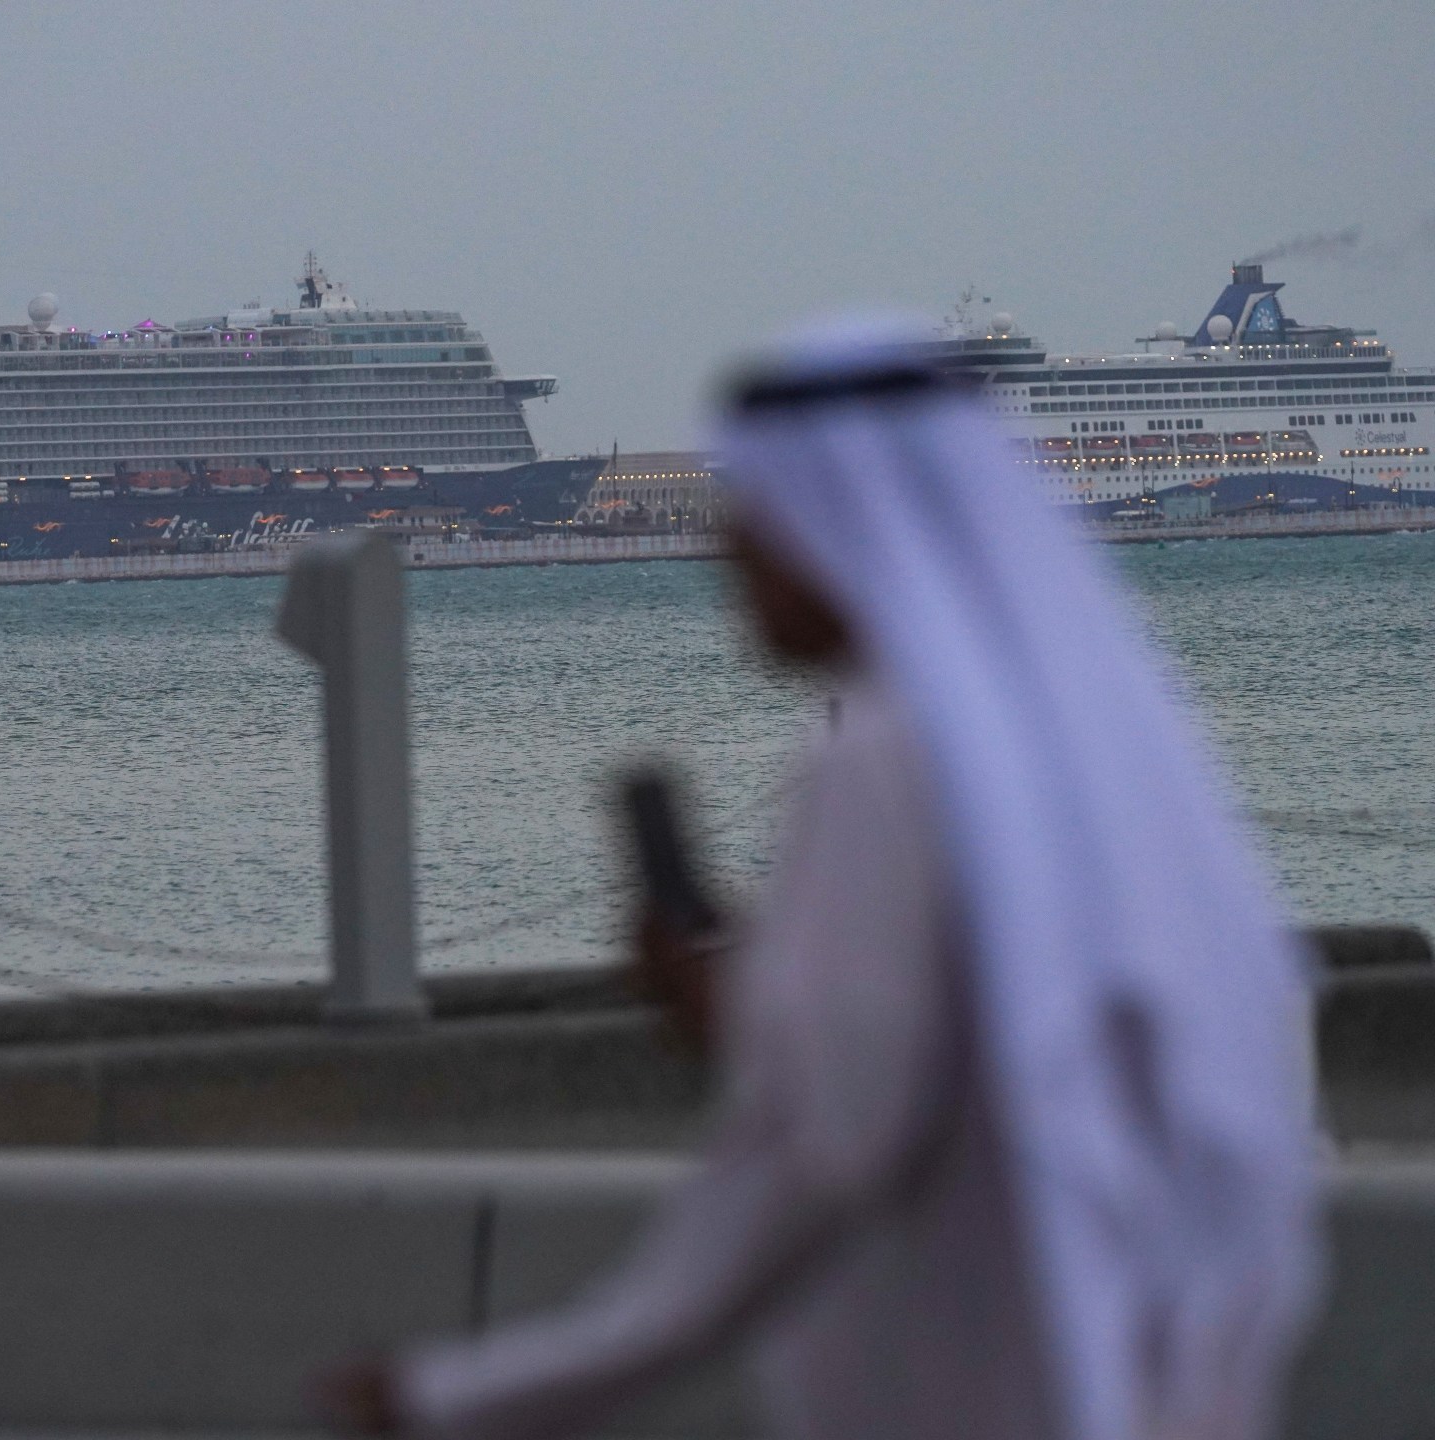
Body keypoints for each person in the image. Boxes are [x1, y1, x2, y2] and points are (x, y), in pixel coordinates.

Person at [321, 320, 1321, 1440]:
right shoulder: (1107, 738)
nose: (726, 555)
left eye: (757, 517)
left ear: (843, 524)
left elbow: (825, 1151)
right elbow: (1010, 1065)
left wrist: (474, 1392)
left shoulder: (882, 758)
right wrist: (760, 1007)